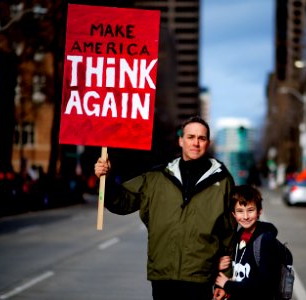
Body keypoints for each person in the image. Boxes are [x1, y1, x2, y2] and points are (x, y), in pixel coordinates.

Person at [94, 115, 236, 300]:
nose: (196, 143)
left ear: (207, 143)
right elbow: (121, 202)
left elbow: (229, 235)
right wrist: (106, 179)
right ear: (181, 140)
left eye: (201, 138)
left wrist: (225, 278)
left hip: (201, 277)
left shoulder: (223, 181)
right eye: (190, 137)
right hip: (163, 276)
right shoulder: (156, 177)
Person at [214, 185, 281, 300]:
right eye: (240, 211)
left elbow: (265, 286)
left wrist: (228, 285)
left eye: (250, 210)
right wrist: (218, 268)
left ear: (259, 211)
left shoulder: (266, 240)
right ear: (234, 214)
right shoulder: (237, 237)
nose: (245, 217)